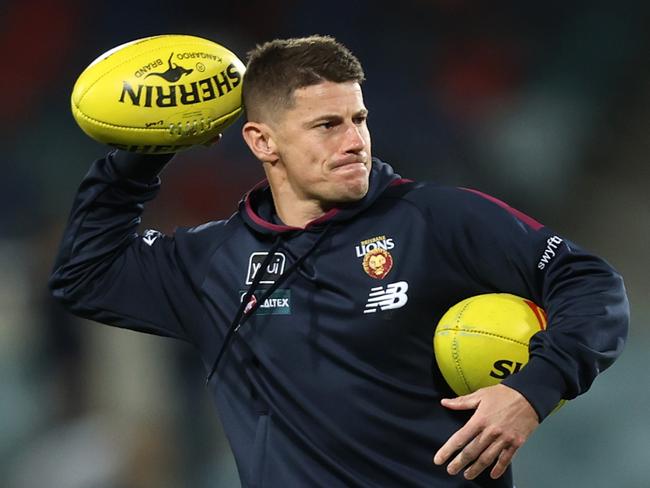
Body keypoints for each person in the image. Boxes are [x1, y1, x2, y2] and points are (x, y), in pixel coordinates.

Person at [50, 35, 629, 487]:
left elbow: (591, 284)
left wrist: (532, 389)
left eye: (359, 119)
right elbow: (85, 274)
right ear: (262, 142)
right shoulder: (213, 262)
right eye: (327, 125)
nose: (354, 140)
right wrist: (141, 155)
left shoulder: (438, 218)